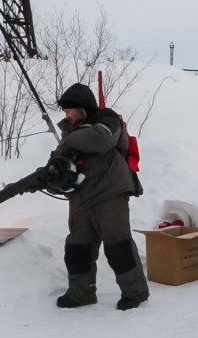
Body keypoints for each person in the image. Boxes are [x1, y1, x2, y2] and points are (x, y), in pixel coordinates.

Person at [52, 83, 149, 311]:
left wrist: (66, 142)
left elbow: (100, 140)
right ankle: (81, 293)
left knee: (118, 245)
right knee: (78, 247)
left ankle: (134, 293)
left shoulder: (107, 119)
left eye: (69, 111)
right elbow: (61, 156)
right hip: (82, 198)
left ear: (83, 108)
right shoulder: (72, 130)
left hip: (111, 193)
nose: (66, 116)